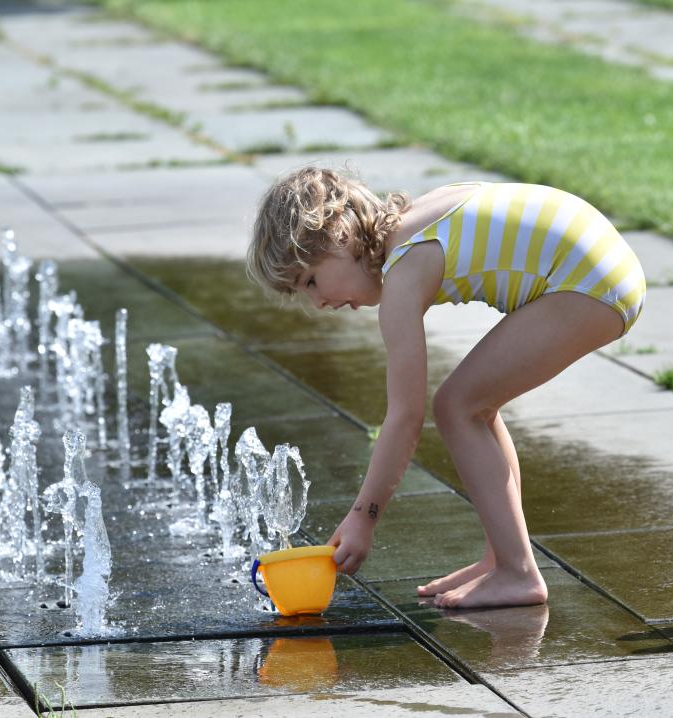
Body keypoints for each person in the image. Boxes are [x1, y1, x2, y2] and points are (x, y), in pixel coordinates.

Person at [246, 166, 646, 609]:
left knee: (457, 406)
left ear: (339, 233)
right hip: (602, 265)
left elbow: (404, 417)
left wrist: (364, 516)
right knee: (475, 405)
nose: (318, 303)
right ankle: (502, 557)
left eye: (310, 281)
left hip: (589, 282)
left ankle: (517, 573)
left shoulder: (403, 272)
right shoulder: (416, 220)